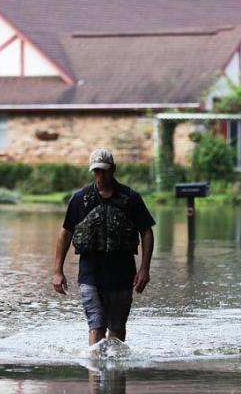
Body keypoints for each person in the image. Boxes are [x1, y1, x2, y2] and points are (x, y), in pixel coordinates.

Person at [52, 148, 155, 346]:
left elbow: (146, 232)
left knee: (116, 328)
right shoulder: (80, 199)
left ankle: (115, 373)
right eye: (96, 171)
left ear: (113, 169)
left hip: (122, 274)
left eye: (104, 170)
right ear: (92, 171)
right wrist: (57, 271)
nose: (100, 175)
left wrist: (144, 268)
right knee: (96, 325)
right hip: (90, 274)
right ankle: (96, 373)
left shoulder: (131, 199)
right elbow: (65, 233)